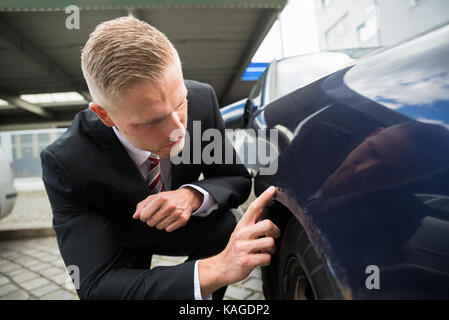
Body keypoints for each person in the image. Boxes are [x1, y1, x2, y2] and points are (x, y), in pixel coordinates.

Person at [41, 16, 280, 300]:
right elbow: (96, 287)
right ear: (105, 115)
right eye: (153, 120)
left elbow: (236, 178)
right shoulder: (66, 162)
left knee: (225, 225)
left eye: (180, 103)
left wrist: (191, 196)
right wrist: (217, 269)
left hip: (182, 225)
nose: (178, 130)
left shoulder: (202, 100)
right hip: (119, 239)